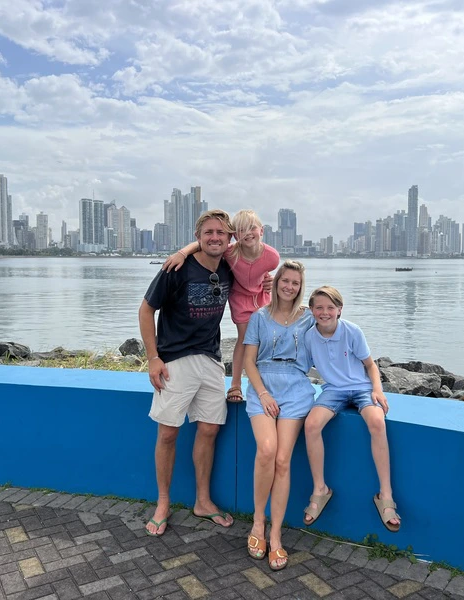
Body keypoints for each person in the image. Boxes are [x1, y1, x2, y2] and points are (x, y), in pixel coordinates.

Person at [138, 209, 236, 537]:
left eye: (221, 233)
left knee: (209, 429)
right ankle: (163, 502)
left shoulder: (229, 268)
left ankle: (203, 501)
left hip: (210, 359)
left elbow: (260, 257)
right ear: (198, 237)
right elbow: (146, 309)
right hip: (175, 359)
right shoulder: (176, 268)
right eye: (208, 232)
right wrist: (153, 357)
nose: (214, 237)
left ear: (229, 239)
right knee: (168, 433)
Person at [302, 286, 402, 532]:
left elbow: (371, 365)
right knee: (311, 425)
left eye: (330, 308)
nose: (324, 313)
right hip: (333, 390)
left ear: (339, 310)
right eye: (319, 308)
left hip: (361, 388)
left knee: (377, 423)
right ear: (312, 310)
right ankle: (320, 489)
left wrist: (377, 390)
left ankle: (385, 496)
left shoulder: (352, 331)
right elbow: (301, 368)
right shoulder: (308, 336)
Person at [163, 209, 280, 403]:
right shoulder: (230, 252)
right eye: (241, 230)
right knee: (245, 338)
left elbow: (270, 276)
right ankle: (235, 384)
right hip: (240, 297)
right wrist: (182, 253)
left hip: (261, 296)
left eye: (252, 228)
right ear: (235, 235)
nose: (248, 233)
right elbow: (200, 244)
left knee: (266, 336)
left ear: (262, 231)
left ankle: (266, 381)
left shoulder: (272, 257)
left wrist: (272, 282)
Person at [242, 260, 314, 571]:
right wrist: (264, 394)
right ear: (276, 282)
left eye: (295, 283)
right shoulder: (260, 317)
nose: (289, 287)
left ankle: (275, 534)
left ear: (300, 287)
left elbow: (334, 339)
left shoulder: (309, 319)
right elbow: (247, 362)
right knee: (267, 451)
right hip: (263, 388)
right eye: (285, 281)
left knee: (283, 460)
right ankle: (258, 522)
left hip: (296, 388)